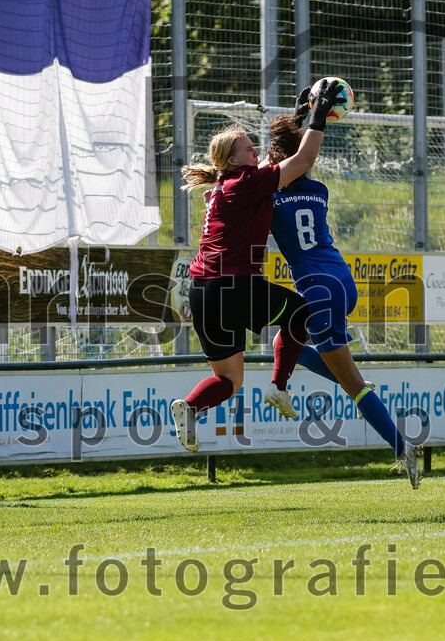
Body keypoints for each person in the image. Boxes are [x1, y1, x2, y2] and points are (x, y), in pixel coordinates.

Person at [169, 82, 346, 453]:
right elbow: (302, 162)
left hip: (202, 292)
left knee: (229, 381)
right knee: (302, 312)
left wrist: (298, 117)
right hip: (234, 286)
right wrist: (317, 117)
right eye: (249, 148)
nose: (257, 151)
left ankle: (190, 407)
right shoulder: (247, 183)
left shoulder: (226, 184)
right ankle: (279, 387)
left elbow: (274, 161)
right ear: (234, 160)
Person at [262, 108, 423, 489]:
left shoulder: (268, 197)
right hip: (342, 282)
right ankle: (331, 383)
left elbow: (270, 183)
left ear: (276, 159)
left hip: (317, 291)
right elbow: (298, 164)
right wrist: (301, 116)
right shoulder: (320, 191)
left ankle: (403, 448)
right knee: (289, 344)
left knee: (354, 384)